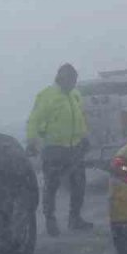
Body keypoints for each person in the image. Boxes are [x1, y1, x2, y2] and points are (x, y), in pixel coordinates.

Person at [26, 63, 93, 236]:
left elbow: (79, 117)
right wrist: (32, 141)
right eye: (71, 80)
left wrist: (84, 137)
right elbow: (34, 120)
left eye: (75, 80)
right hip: (54, 149)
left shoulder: (75, 95)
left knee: (78, 185)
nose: (73, 84)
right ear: (61, 78)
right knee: (52, 186)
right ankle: (50, 221)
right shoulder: (47, 96)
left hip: (75, 148)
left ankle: (75, 218)